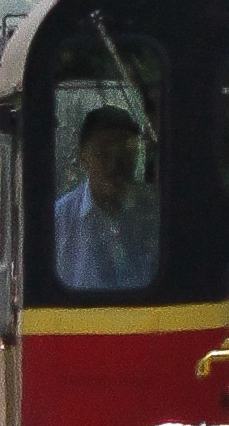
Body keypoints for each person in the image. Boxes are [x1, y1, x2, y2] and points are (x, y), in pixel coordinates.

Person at [54, 104, 161, 290]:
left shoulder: (156, 212)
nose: (114, 165)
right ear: (83, 158)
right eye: (103, 154)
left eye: (125, 153)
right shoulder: (61, 218)